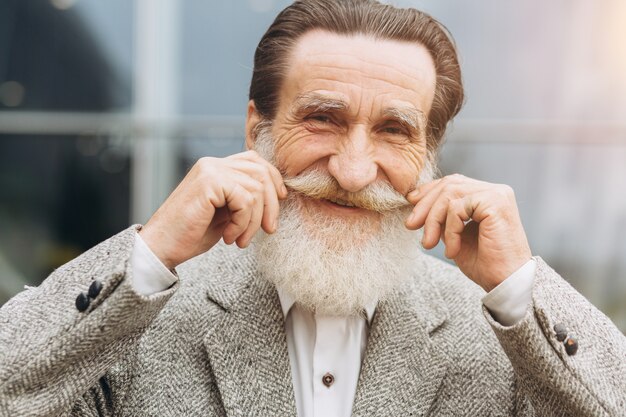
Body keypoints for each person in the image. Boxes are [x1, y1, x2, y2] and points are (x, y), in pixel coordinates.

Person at [1, 0, 624, 416]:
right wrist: (152, 252)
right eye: (323, 119)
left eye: (393, 130)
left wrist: (520, 287)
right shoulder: (134, 316)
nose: (354, 171)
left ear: (431, 155)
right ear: (256, 131)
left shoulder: (505, 336)